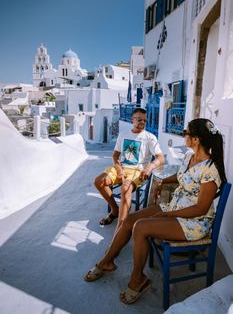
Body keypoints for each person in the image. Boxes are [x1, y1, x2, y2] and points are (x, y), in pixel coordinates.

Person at [84, 118, 227, 304]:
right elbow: (182, 175)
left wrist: (167, 214)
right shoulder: (189, 157)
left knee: (140, 227)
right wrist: (163, 181)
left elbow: (200, 208)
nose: (183, 135)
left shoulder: (210, 170)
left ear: (196, 139)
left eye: (186, 132)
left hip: (193, 222)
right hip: (175, 207)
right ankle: (107, 261)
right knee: (130, 220)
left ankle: (138, 280)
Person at [95, 107, 164, 227]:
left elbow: (161, 157)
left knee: (125, 189)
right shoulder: (123, 135)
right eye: (139, 119)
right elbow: (115, 156)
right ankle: (115, 210)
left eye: (144, 120)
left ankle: (121, 227)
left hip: (138, 171)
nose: (142, 122)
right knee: (99, 181)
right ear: (132, 119)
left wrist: (149, 167)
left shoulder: (150, 137)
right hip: (121, 168)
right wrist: (119, 171)